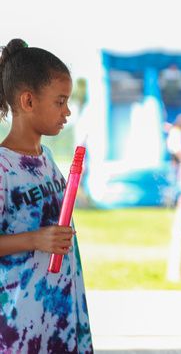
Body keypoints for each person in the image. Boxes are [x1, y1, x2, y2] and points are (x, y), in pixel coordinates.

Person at [0, 39, 94, 353]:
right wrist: (35, 239)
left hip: (61, 317)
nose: (67, 111)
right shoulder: (3, 167)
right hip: (19, 330)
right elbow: (40, 237)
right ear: (28, 101)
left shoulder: (47, 157)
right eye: (60, 101)